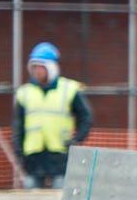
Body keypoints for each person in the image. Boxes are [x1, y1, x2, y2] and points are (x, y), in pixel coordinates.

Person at [13, 42, 92, 189]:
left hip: (59, 155)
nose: (37, 71)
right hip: (33, 157)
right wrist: (19, 152)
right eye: (34, 67)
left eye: (41, 67)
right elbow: (18, 126)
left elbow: (85, 117)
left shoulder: (69, 89)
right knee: (32, 193)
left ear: (51, 67)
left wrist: (76, 140)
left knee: (59, 193)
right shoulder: (24, 93)